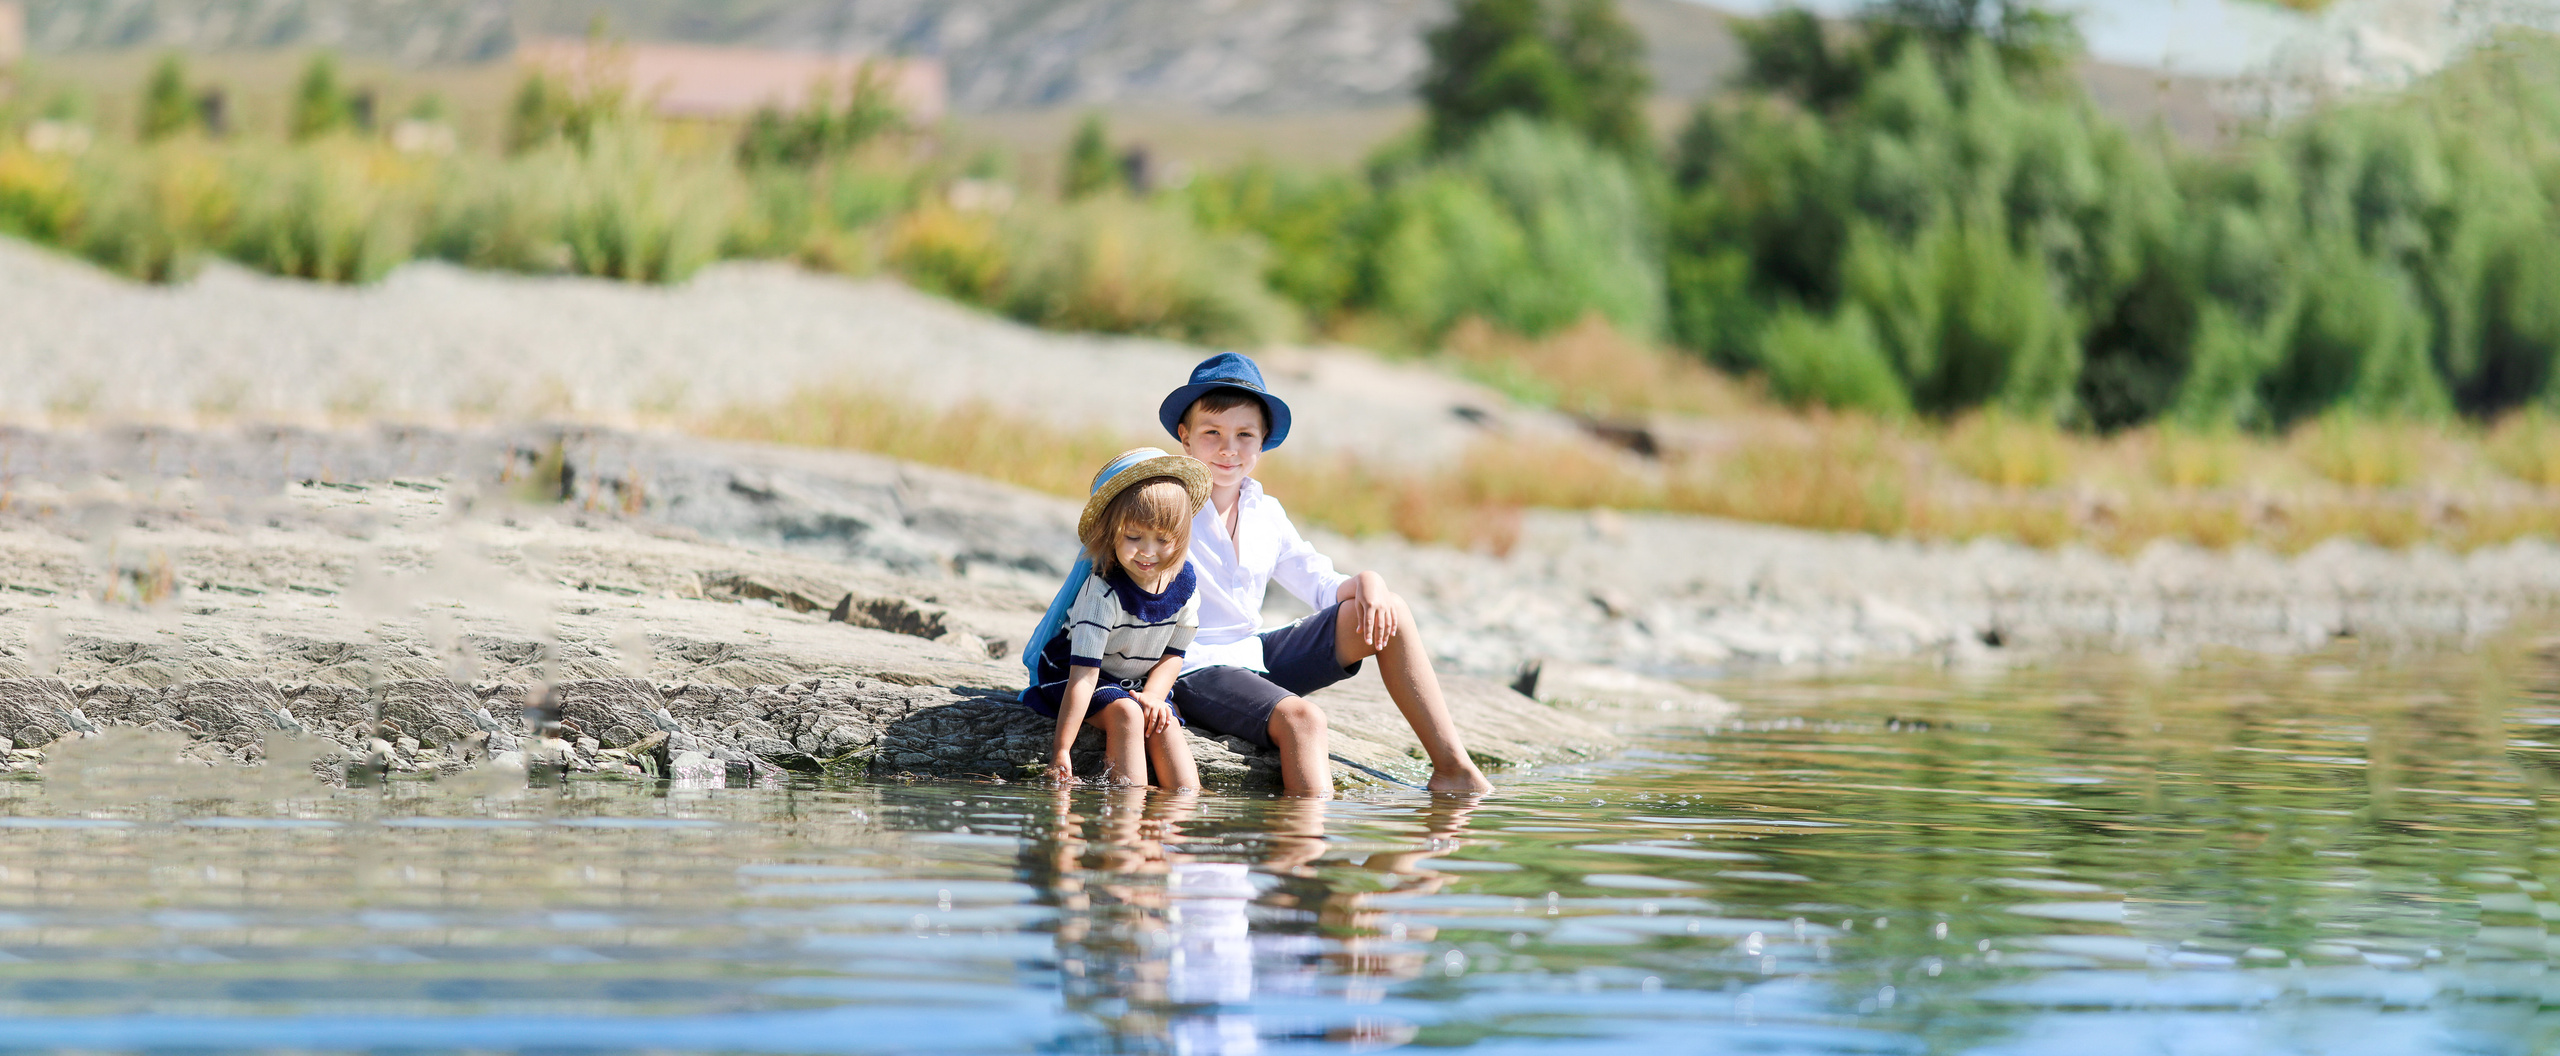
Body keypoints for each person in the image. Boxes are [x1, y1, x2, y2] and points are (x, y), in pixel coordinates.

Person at [1156, 352, 1494, 797]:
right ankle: (1305, 854)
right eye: (1212, 433)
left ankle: (1452, 767)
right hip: (1193, 666)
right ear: (1185, 437)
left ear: (1262, 443)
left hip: (1253, 657)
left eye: (1244, 435)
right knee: (1305, 720)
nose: (1228, 449)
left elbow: (1320, 584)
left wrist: (1368, 580)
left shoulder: (1265, 511)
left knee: (1390, 612)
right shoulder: (1168, 503)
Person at [1021, 447, 1213, 790]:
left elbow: (1174, 654)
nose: (1148, 552)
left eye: (1163, 540)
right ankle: (1125, 810)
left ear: (1182, 538)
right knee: (1127, 713)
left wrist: (1155, 695)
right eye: (1133, 537)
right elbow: (1083, 676)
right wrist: (1061, 749)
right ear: (1112, 533)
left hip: (1137, 683)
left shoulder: (1184, 586)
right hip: (1077, 674)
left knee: (1162, 721)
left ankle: (1174, 818)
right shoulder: (1103, 593)